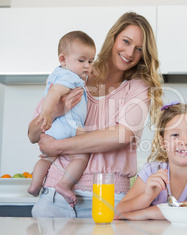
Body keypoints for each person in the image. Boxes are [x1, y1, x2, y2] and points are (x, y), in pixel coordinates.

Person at [27, 12, 164, 218]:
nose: (129, 52)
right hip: (54, 195)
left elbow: (122, 135)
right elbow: (32, 134)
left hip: (109, 198)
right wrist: (56, 111)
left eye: (138, 49)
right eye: (126, 41)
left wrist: (57, 146)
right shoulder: (74, 73)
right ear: (113, 37)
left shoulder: (137, 88)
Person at [115, 102, 187, 220]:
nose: (184, 141)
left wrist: (146, 213)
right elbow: (120, 210)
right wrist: (147, 196)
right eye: (175, 135)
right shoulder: (151, 171)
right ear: (162, 142)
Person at [27, 31, 96, 208]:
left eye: (90, 61)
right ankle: (64, 184)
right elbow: (55, 93)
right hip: (68, 126)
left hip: (54, 129)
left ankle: (35, 185)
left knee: (46, 159)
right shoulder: (69, 76)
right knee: (81, 155)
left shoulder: (60, 74)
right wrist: (48, 112)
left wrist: (47, 115)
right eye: (81, 61)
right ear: (63, 59)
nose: (87, 66)